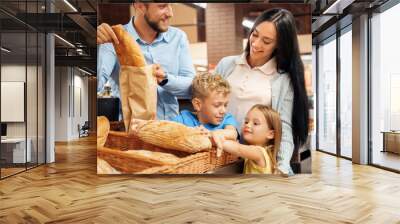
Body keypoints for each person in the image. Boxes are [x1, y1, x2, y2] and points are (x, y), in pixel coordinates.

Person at [214, 8, 309, 175]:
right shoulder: (227, 65)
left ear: (279, 46)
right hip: (220, 152)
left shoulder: (282, 80)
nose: (256, 44)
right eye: (255, 34)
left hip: (254, 158)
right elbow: (207, 97)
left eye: (266, 41)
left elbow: (283, 126)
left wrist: (282, 166)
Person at [97, 3, 196, 120]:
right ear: (140, 6)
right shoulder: (114, 38)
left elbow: (192, 87)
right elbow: (97, 85)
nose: (170, 13)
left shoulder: (178, 37)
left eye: (171, 5)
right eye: (162, 6)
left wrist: (165, 79)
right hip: (132, 131)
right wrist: (94, 45)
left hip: (171, 128)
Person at [172, 73, 239, 151]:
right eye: (217, 105)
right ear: (198, 104)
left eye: (225, 105)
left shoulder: (227, 119)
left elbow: (233, 134)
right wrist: (191, 133)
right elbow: (171, 134)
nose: (223, 111)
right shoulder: (183, 119)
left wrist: (212, 133)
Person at [221, 105, 282, 174]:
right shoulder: (266, 153)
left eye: (255, 123)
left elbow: (238, 149)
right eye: (246, 122)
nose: (248, 125)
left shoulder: (259, 152)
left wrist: (218, 139)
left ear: (270, 134)